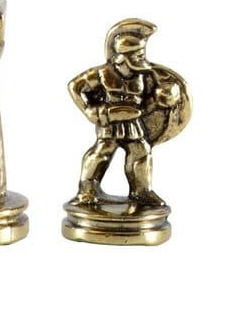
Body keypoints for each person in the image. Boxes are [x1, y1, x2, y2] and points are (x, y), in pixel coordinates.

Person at [69, 19, 180, 207]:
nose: (141, 59)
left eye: (141, 54)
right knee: (103, 151)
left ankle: (141, 192)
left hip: (133, 122)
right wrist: (90, 110)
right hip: (110, 121)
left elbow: (148, 101)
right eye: (137, 55)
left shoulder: (144, 76)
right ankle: (87, 191)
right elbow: (75, 86)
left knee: (141, 151)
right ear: (122, 56)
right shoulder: (102, 73)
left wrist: (162, 99)